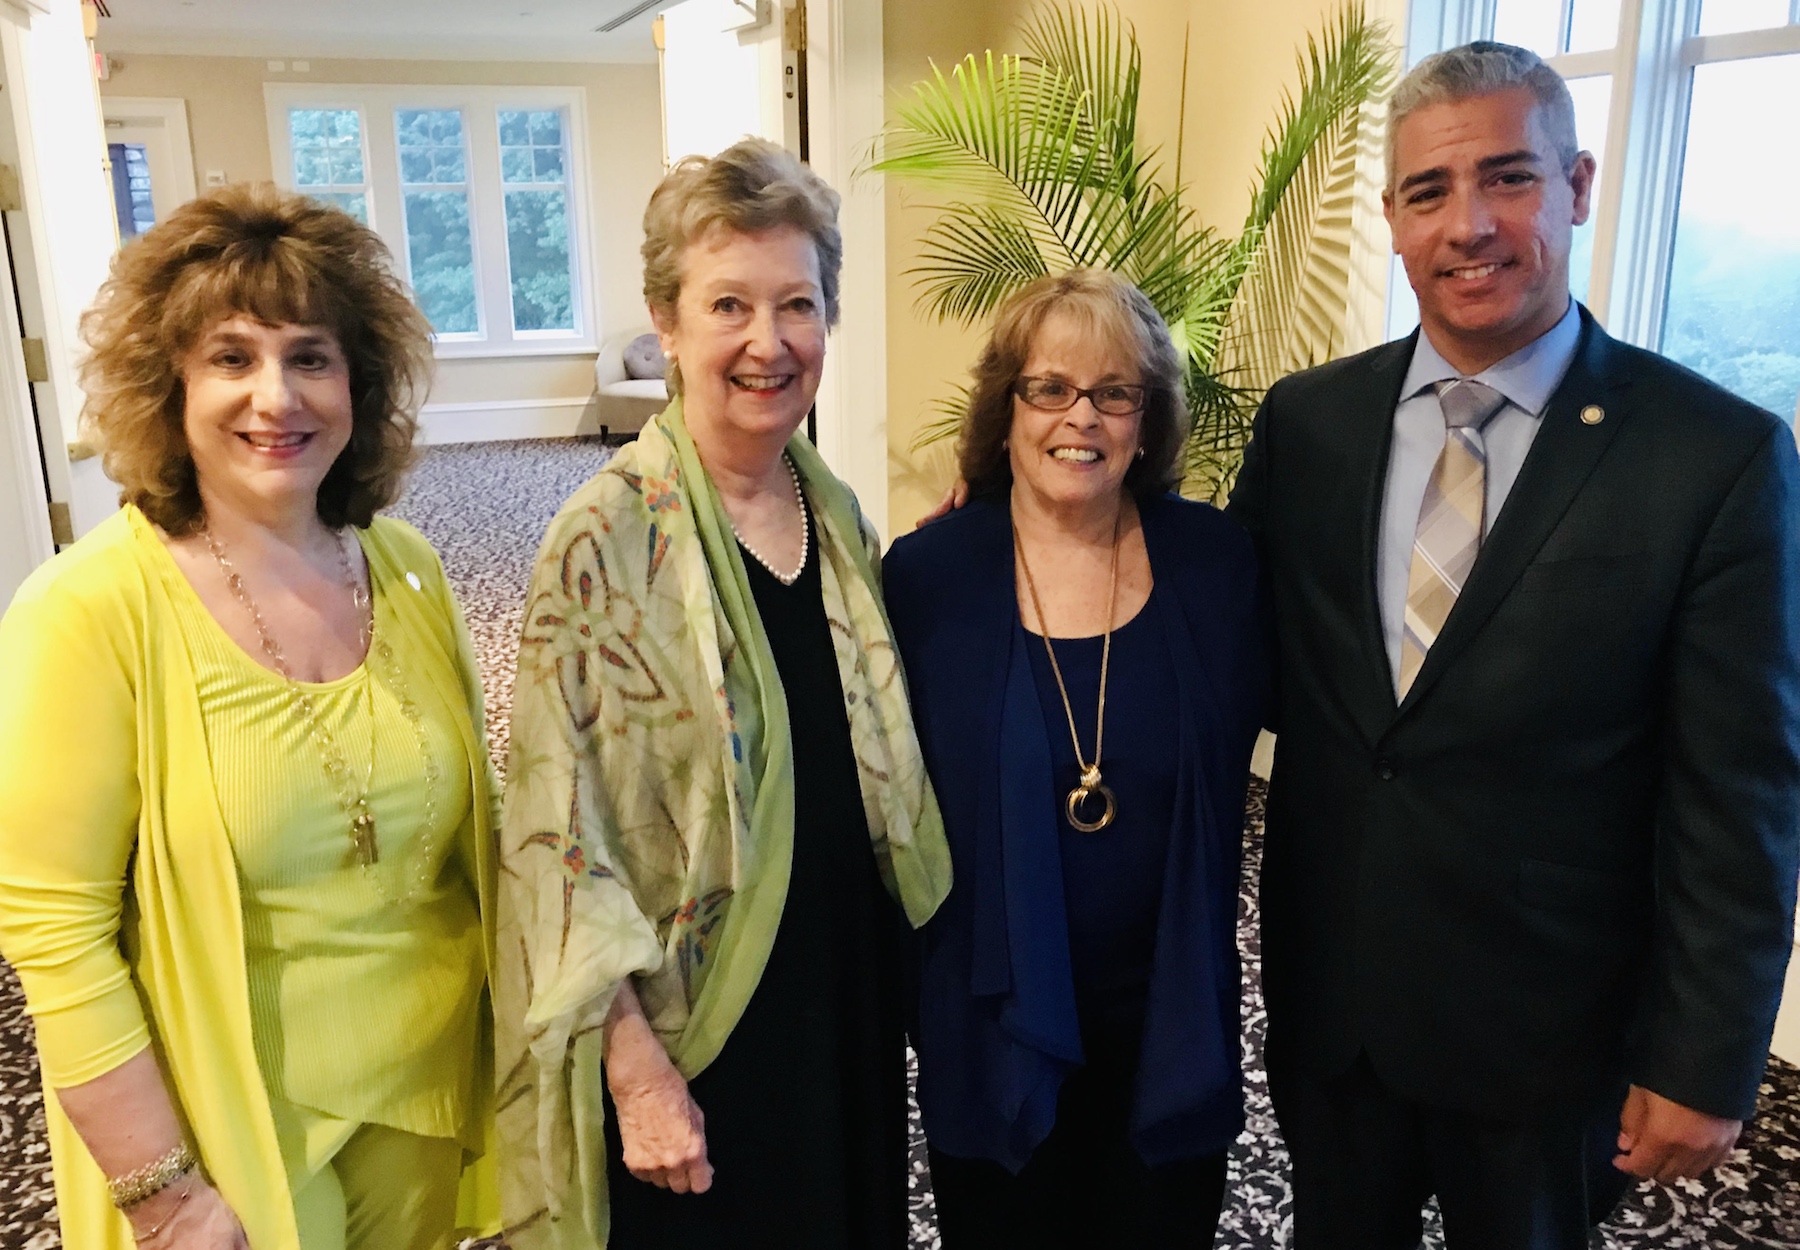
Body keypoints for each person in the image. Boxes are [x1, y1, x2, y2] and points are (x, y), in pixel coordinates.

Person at [1224, 41, 1800, 1249]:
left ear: (1578, 185)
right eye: (1429, 191)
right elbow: (1223, 640)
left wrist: (1705, 1050)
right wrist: (1018, 523)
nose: (1469, 224)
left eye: (1510, 178)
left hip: (1550, 1038)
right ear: (1390, 219)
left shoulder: (1714, 458)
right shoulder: (1310, 423)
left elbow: (1737, 784)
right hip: (1338, 1014)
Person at [0, 183, 499, 1249]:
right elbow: (56, 934)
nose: (277, 396)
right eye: (231, 356)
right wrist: (168, 1195)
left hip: (424, 1086)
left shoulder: (406, 569)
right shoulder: (87, 611)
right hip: (234, 1134)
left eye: (310, 355)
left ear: (356, 383)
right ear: (168, 383)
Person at [494, 137, 953, 1250]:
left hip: (839, 996)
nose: (768, 340)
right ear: (670, 320)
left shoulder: (834, 509)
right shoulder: (603, 539)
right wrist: (636, 1071)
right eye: (729, 305)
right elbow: (557, 835)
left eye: (797, 304)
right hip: (698, 1028)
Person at [883, 269, 1266, 1248]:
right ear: (1007, 405)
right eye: (1050, 387)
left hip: (1168, 1016)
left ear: (1149, 414)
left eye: (1114, 391)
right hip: (995, 1020)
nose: (1080, 416)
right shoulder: (929, 577)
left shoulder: (1216, 563)